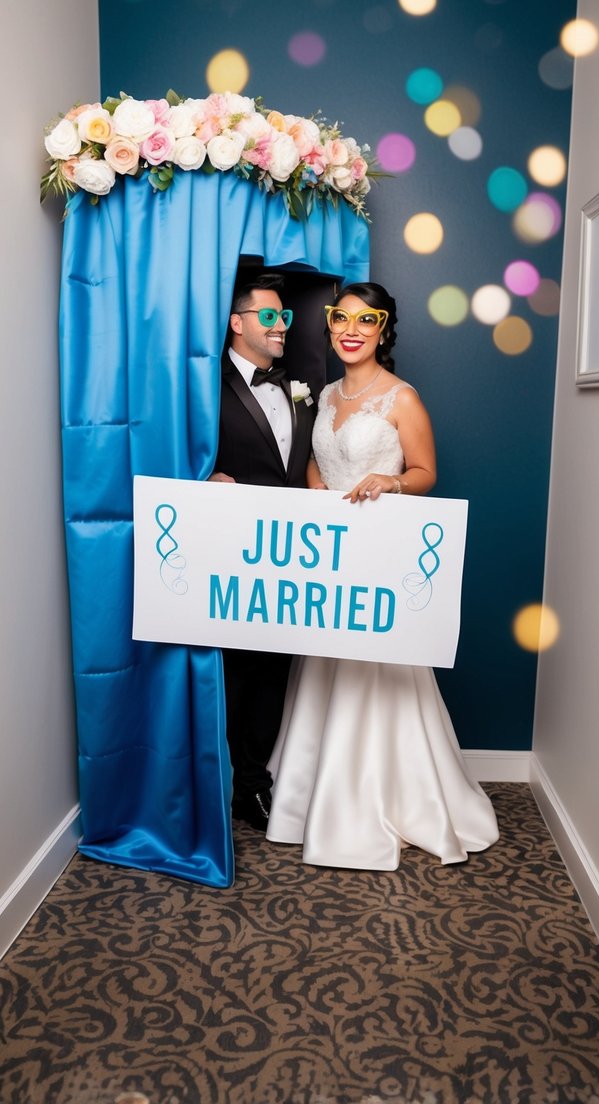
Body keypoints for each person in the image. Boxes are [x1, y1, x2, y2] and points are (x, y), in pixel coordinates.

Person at [266, 282, 499, 869]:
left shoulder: (402, 399)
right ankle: (313, 800)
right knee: (326, 661)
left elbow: (426, 470)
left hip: (379, 557)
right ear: (330, 327)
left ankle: (383, 798)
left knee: (379, 666)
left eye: (364, 321)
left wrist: (390, 483)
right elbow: (320, 455)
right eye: (340, 319)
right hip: (332, 557)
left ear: (382, 329)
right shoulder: (324, 394)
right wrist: (319, 486)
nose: (350, 330)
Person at [210, 273, 316, 832]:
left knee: (274, 669)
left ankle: (254, 786)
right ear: (238, 322)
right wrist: (204, 476)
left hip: (287, 557)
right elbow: (175, 445)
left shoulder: (299, 385)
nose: (281, 327)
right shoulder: (204, 381)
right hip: (226, 552)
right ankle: (216, 784)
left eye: (286, 317)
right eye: (269, 316)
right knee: (229, 673)